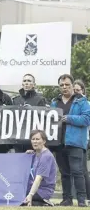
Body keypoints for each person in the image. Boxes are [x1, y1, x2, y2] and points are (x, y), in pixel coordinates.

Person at [51, 74, 90, 207]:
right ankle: (66, 199)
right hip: (59, 143)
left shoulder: (82, 101)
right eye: (62, 85)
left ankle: (81, 200)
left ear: (73, 85)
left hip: (75, 142)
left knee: (78, 172)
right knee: (64, 173)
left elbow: (86, 119)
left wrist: (69, 118)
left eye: (67, 84)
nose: (64, 87)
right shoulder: (54, 102)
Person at [12, 74, 47, 153]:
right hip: (18, 140)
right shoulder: (16, 100)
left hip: (33, 140)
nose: (26, 83)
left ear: (34, 85)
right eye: (24, 81)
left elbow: (43, 119)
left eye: (29, 81)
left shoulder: (40, 99)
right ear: (22, 84)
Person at [23, 129, 56, 207]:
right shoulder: (35, 154)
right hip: (34, 189)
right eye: (33, 139)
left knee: (19, 201)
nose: (35, 141)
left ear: (44, 141)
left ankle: (43, 203)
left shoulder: (46, 156)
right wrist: (25, 156)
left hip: (43, 191)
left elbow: (38, 179)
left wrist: (30, 195)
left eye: (37, 139)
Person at [73, 79, 90, 203]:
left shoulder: (86, 103)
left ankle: (86, 197)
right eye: (74, 90)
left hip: (85, 139)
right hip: (79, 139)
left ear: (83, 91)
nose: (76, 92)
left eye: (78, 90)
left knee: (82, 171)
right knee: (83, 170)